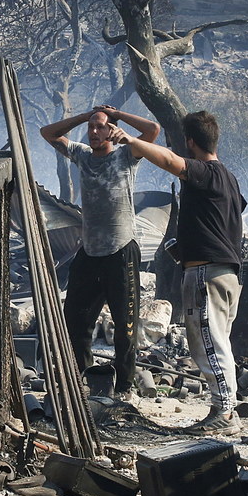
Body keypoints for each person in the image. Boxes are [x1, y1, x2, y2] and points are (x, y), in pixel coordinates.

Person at [108, 110, 245, 434]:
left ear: (190, 142)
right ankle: (224, 410)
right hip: (225, 273)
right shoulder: (228, 177)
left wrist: (131, 140)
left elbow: (170, 161)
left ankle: (224, 415)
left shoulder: (205, 172)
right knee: (219, 344)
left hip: (207, 275)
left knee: (209, 345)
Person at [40, 105, 161, 397]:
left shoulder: (126, 155)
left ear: (112, 130)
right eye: (91, 128)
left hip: (121, 251)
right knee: (75, 321)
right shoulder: (81, 154)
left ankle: (123, 388)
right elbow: (48, 133)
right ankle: (83, 379)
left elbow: (152, 131)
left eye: (100, 127)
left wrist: (119, 116)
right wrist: (85, 116)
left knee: (125, 326)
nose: (94, 132)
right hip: (89, 252)